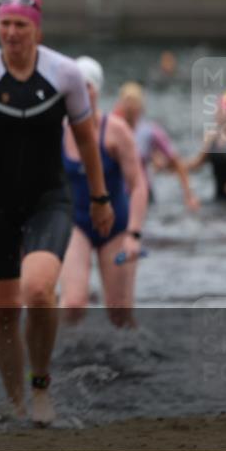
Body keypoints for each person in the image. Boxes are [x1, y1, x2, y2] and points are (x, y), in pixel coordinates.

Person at [0, 0, 114, 426]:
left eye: (21, 25)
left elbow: (86, 141)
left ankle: (41, 385)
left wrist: (99, 198)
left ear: (37, 28)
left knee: (38, 290)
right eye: (5, 24)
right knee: (3, 312)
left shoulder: (65, 75)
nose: (12, 33)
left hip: (49, 198)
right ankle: (15, 401)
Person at [59, 57, 148, 329]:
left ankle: (134, 361)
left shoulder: (116, 130)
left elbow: (138, 185)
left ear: (97, 90)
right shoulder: (59, 131)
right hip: (77, 224)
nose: (81, 94)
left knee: (119, 313)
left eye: (87, 86)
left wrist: (134, 234)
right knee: (73, 303)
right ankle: (53, 360)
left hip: (117, 227)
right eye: (75, 88)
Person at [114, 82, 200, 211]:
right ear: (120, 105)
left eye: (133, 102)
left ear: (140, 107)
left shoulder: (150, 132)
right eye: (127, 102)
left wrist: (189, 196)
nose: (129, 107)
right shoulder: (111, 130)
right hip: (116, 194)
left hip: (143, 194)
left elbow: (176, 162)